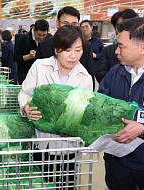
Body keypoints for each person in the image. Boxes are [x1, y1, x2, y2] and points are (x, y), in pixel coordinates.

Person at [18, 25, 93, 188]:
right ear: (57, 49)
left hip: (68, 147)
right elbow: (24, 92)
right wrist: (26, 107)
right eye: (67, 50)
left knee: (65, 184)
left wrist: (76, 127)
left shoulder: (85, 78)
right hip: (41, 143)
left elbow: (84, 114)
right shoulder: (39, 67)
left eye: (78, 50)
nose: (73, 56)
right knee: (39, 183)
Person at [98, 17, 144, 190]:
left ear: (142, 47)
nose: (116, 51)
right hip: (116, 161)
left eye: (121, 46)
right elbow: (101, 105)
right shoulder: (115, 73)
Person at [35, 6, 94, 89]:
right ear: (57, 23)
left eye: (74, 24)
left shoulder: (86, 46)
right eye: (65, 23)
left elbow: (89, 74)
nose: (70, 28)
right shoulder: (44, 45)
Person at [96, 9, 138, 83]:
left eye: (127, 25)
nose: (122, 29)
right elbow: (100, 75)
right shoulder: (108, 51)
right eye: (119, 26)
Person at [13, 19, 52, 84]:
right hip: (26, 74)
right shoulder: (23, 39)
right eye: (39, 35)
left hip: (44, 75)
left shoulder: (49, 38)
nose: (42, 38)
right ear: (33, 29)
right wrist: (29, 56)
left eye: (44, 35)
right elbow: (16, 58)